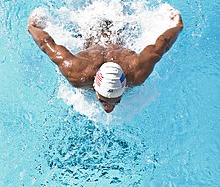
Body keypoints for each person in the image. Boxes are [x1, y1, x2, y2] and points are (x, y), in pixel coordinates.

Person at [28, 9, 183, 113]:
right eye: (103, 101)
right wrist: (33, 28)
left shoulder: (137, 71)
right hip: (92, 28)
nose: (108, 109)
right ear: (94, 84)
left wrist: (178, 27)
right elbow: (46, 44)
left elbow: (162, 44)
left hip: (115, 32)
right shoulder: (76, 72)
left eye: (116, 102)